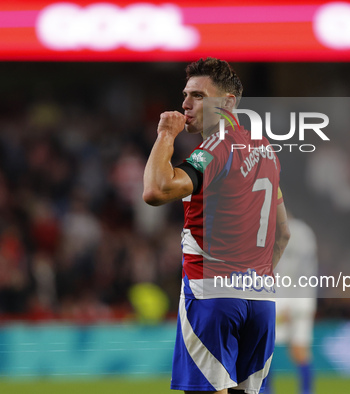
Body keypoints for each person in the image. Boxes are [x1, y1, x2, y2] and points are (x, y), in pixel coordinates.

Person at [143, 57, 291, 394]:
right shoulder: (265, 150)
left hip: (213, 297)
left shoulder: (214, 146)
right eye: (185, 95)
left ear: (228, 102)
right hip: (260, 302)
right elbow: (283, 232)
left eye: (197, 95)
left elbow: (155, 189)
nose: (185, 104)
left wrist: (166, 134)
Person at [264, 216, 317, 394]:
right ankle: (307, 390)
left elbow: (286, 270)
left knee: (265, 346)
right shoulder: (306, 231)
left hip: (284, 298)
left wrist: (284, 302)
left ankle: (266, 390)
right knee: (300, 350)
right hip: (305, 300)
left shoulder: (277, 230)